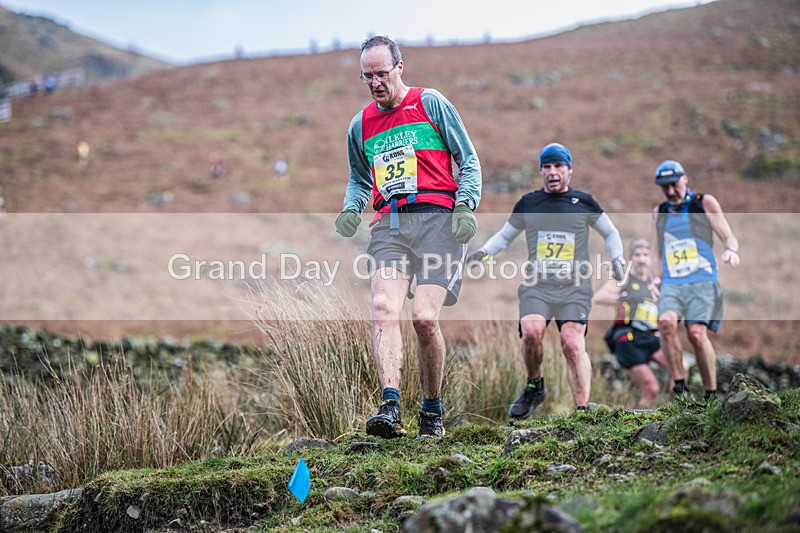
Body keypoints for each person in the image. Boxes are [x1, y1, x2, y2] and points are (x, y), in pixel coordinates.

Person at [335, 36, 481, 439]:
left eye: (381, 74)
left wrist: (465, 206)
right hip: (391, 225)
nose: (375, 83)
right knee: (383, 307)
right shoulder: (360, 125)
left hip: (439, 221)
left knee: (424, 319)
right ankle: (390, 406)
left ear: (400, 67)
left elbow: (468, 160)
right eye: (367, 76)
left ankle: (431, 410)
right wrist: (351, 208)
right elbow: (359, 179)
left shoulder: (430, 103)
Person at [468, 142, 624, 416]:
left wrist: (617, 259)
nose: (552, 172)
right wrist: (483, 253)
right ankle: (534, 386)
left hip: (575, 287)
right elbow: (505, 236)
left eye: (558, 166)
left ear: (569, 170)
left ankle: (582, 411)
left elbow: (610, 232)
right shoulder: (529, 203)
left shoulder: (584, 202)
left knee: (572, 343)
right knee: (530, 332)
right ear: (541, 171)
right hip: (537, 286)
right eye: (547, 166)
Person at [651, 160, 740, 400]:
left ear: (685, 179)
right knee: (666, 323)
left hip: (702, 279)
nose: (671, 191)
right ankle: (680, 384)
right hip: (672, 282)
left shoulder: (704, 202)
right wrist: (656, 278)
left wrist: (731, 250)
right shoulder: (659, 212)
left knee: (696, 333)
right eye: (665, 187)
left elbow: (728, 236)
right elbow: (658, 251)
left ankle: (710, 393)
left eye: (675, 185)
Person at [593, 239, 687, 408]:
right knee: (651, 388)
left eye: (645, 255)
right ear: (631, 258)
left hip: (651, 337)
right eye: (637, 255)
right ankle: (643, 422)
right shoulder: (623, 279)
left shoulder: (653, 284)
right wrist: (624, 297)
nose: (642, 259)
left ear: (651, 259)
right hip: (628, 338)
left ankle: (675, 411)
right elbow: (600, 297)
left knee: (682, 367)